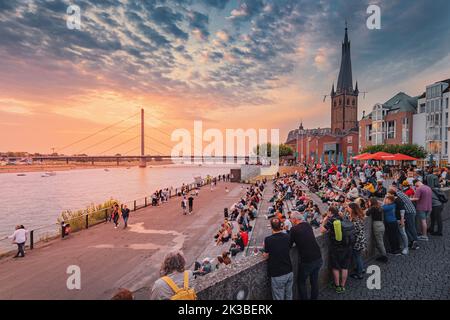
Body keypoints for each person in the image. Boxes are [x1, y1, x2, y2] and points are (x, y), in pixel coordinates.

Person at [289, 212, 322, 300]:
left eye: (291, 219)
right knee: (314, 281)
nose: (290, 221)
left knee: (301, 282)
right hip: (318, 257)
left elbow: (289, 244)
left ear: (295, 219)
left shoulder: (294, 229)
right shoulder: (307, 225)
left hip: (307, 260)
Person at [320, 206, 352, 293]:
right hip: (347, 245)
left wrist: (324, 221)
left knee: (336, 267)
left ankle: (337, 286)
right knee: (345, 267)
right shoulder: (342, 218)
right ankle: (343, 285)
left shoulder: (331, 220)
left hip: (336, 247)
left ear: (330, 212)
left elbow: (322, 230)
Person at [263, 218, 293, 300]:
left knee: (278, 297)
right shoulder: (287, 236)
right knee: (289, 295)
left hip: (278, 274)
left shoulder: (268, 240)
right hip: (289, 271)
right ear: (281, 226)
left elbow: (266, 256)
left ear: (271, 228)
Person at [347, 203, 367, 280]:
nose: (347, 209)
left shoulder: (355, 219)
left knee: (357, 256)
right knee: (358, 256)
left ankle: (359, 274)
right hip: (361, 239)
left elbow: (352, 230)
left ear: (352, 209)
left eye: (348, 208)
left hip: (357, 241)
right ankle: (361, 269)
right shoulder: (359, 216)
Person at [366, 197, 388, 262]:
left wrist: (368, 207)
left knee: (379, 242)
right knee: (380, 241)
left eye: (369, 202)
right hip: (381, 224)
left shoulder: (373, 208)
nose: (368, 203)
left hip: (377, 225)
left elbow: (367, 213)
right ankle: (382, 254)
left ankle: (384, 256)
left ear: (371, 202)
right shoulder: (379, 207)